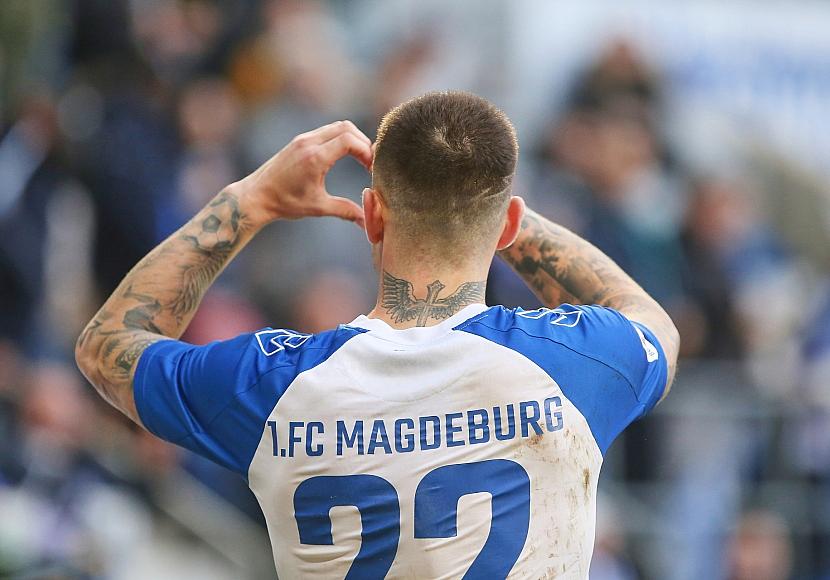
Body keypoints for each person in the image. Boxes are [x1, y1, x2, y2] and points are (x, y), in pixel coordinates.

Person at [75, 91, 679, 579]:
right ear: (508, 226)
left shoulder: (277, 385)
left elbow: (107, 347)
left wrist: (251, 199)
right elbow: (650, 322)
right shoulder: (575, 363)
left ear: (370, 214)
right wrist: (488, 206)